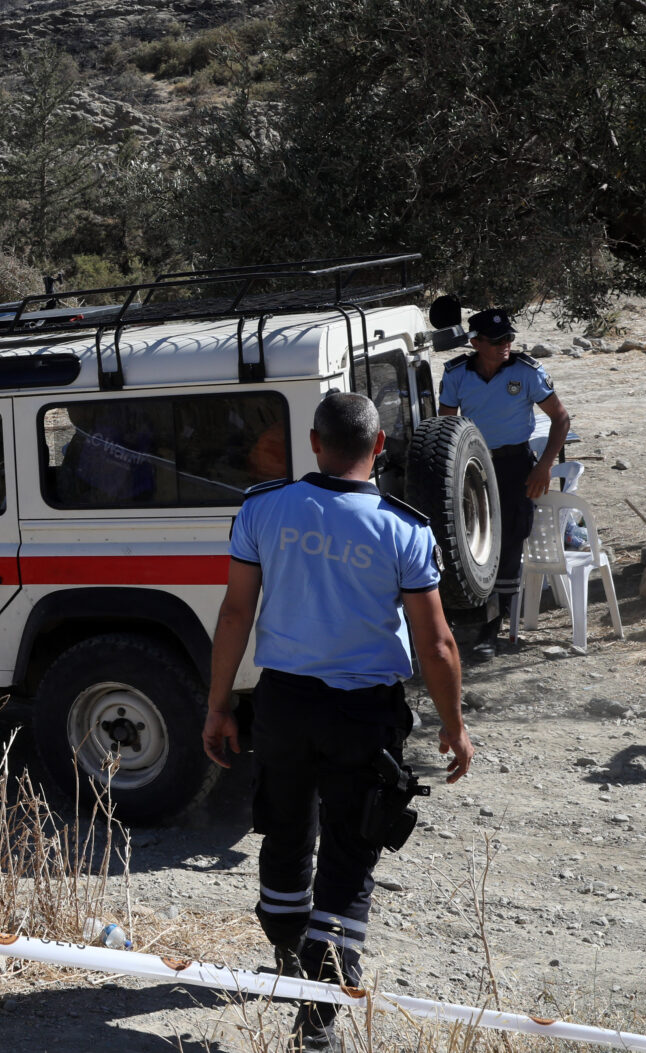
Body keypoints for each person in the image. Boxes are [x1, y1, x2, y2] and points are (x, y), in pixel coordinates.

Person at [203, 392, 473, 1052]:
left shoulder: (263, 509)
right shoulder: (404, 527)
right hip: (363, 713)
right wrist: (453, 723)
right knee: (351, 853)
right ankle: (320, 1012)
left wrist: (215, 705)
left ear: (315, 443)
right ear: (379, 448)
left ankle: (289, 950)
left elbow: (235, 614)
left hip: (284, 705)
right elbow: (436, 642)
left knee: (286, 826)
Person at [438, 308, 571, 638]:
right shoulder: (456, 375)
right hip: (474, 465)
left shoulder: (526, 372)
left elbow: (561, 418)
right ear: (475, 343)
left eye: (509, 338)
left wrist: (544, 465)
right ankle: (471, 614)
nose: (505, 345)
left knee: (511, 538)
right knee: (474, 539)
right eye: (496, 340)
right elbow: (445, 427)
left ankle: (492, 628)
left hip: (516, 465)